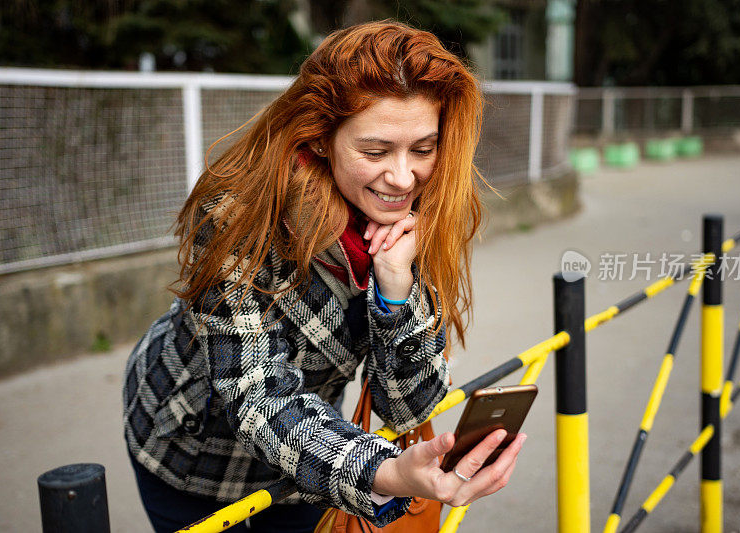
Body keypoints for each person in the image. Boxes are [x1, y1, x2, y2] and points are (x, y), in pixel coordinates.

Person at [122, 20, 527, 533]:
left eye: (423, 149)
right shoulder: (237, 216)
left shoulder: (416, 214)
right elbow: (256, 396)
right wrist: (384, 471)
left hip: (314, 459)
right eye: (375, 152)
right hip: (190, 453)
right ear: (318, 137)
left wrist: (396, 291)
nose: (403, 178)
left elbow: (407, 408)